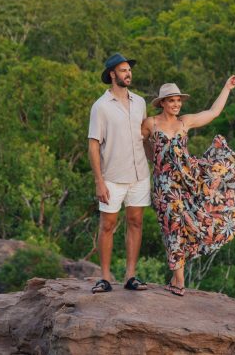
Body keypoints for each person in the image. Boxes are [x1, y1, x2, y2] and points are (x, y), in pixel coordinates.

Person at [141, 76, 235, 296]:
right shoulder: (151, 123)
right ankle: (179, 280)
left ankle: (176, 279)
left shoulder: (184, 121)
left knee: (187, 225)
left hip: (189, 179)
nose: (176, 104)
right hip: (165, 184)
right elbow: (138, 142)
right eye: (171, 101)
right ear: (162, 103)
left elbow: (213, 112)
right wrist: (154, 161)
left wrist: (226, 87)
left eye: (178, 100)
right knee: (172, 226)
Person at [87, 53, 151, 293]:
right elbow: (93, 144)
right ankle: (104, 278)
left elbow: (144, 137)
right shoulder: (101, 107)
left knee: (136, 222)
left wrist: (155, 160)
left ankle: (131, 276)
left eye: (129, 70)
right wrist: (99, 181)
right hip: (112, 176)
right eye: (123, 70)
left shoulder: (141, 102)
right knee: (108, 225)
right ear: (112, 74)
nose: (128, 74)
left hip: (139, 174)